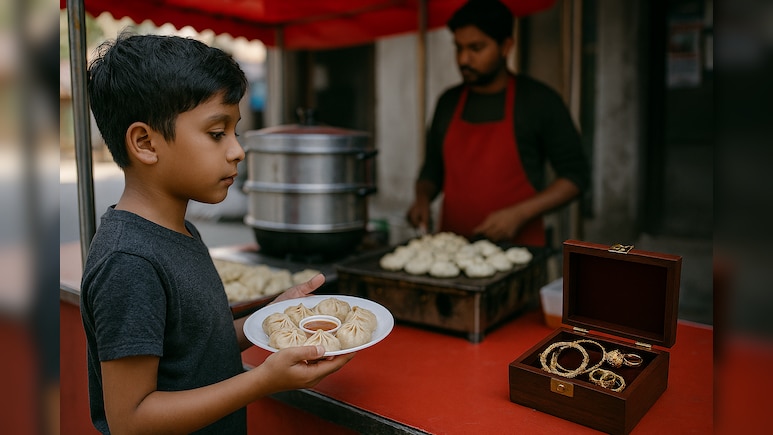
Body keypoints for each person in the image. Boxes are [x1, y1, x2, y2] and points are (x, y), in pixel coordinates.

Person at [81, 33, 355, 434]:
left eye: (234, 132)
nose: (237, 150)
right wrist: (262, 381)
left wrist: (269, 318)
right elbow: (131, 419)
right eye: (216, 133)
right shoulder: (129, 263)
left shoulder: (181, 231)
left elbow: (197, 347)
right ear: (145, 143)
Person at [406, 0, 590, 246]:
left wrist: (519, 214)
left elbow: (575, 176)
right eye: (458, 48)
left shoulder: (538, 101)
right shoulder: (448, 102)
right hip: (452, 250)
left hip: (520, 251)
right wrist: (422, 198)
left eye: (476, 48)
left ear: (506, 47)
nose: (463, 59)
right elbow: (432, 168)